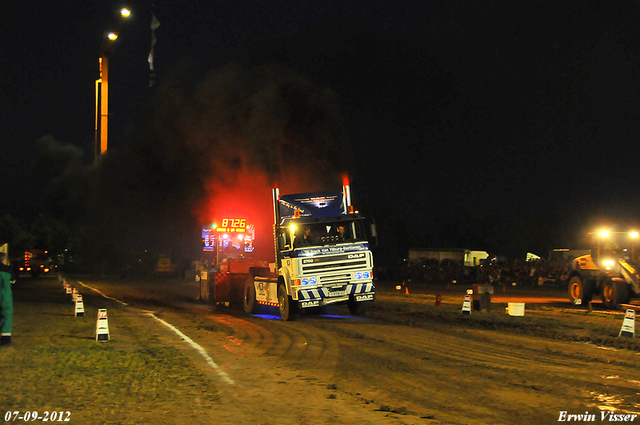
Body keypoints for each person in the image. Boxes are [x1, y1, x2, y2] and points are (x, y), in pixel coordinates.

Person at [0, 252, 14, 346]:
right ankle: (5, 339)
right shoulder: (8, 270)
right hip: (5, 296)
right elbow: (13, 281)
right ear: (4, 260)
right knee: (6, 315)